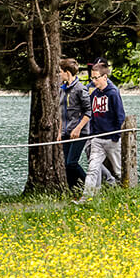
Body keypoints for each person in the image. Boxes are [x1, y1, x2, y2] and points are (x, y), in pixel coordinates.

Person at [79, 62, 126, 200]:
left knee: (118, 170)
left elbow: (120, 116)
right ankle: (86, 198)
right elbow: (92, 115)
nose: (93, 81)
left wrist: (116, 136)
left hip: (112, 139)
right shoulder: (94, 95)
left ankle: (125, 195)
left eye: (96, 78)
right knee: (92, 168)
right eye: (92, 78)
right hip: (97, 139)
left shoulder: (113, 93)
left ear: (105, 77)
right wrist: (93, 134)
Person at [60, 59, 92, 190]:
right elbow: (62, 113)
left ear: (67, 72)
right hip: (66, 132)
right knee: (66, 166)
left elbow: (88, 111)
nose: (59, 74)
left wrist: (78, 128)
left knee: (71, 163)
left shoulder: (80, 88)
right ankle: (74, 192)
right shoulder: (62, 89)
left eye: (60, 72)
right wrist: (59, 132)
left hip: (80, 132)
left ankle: (90, 188)